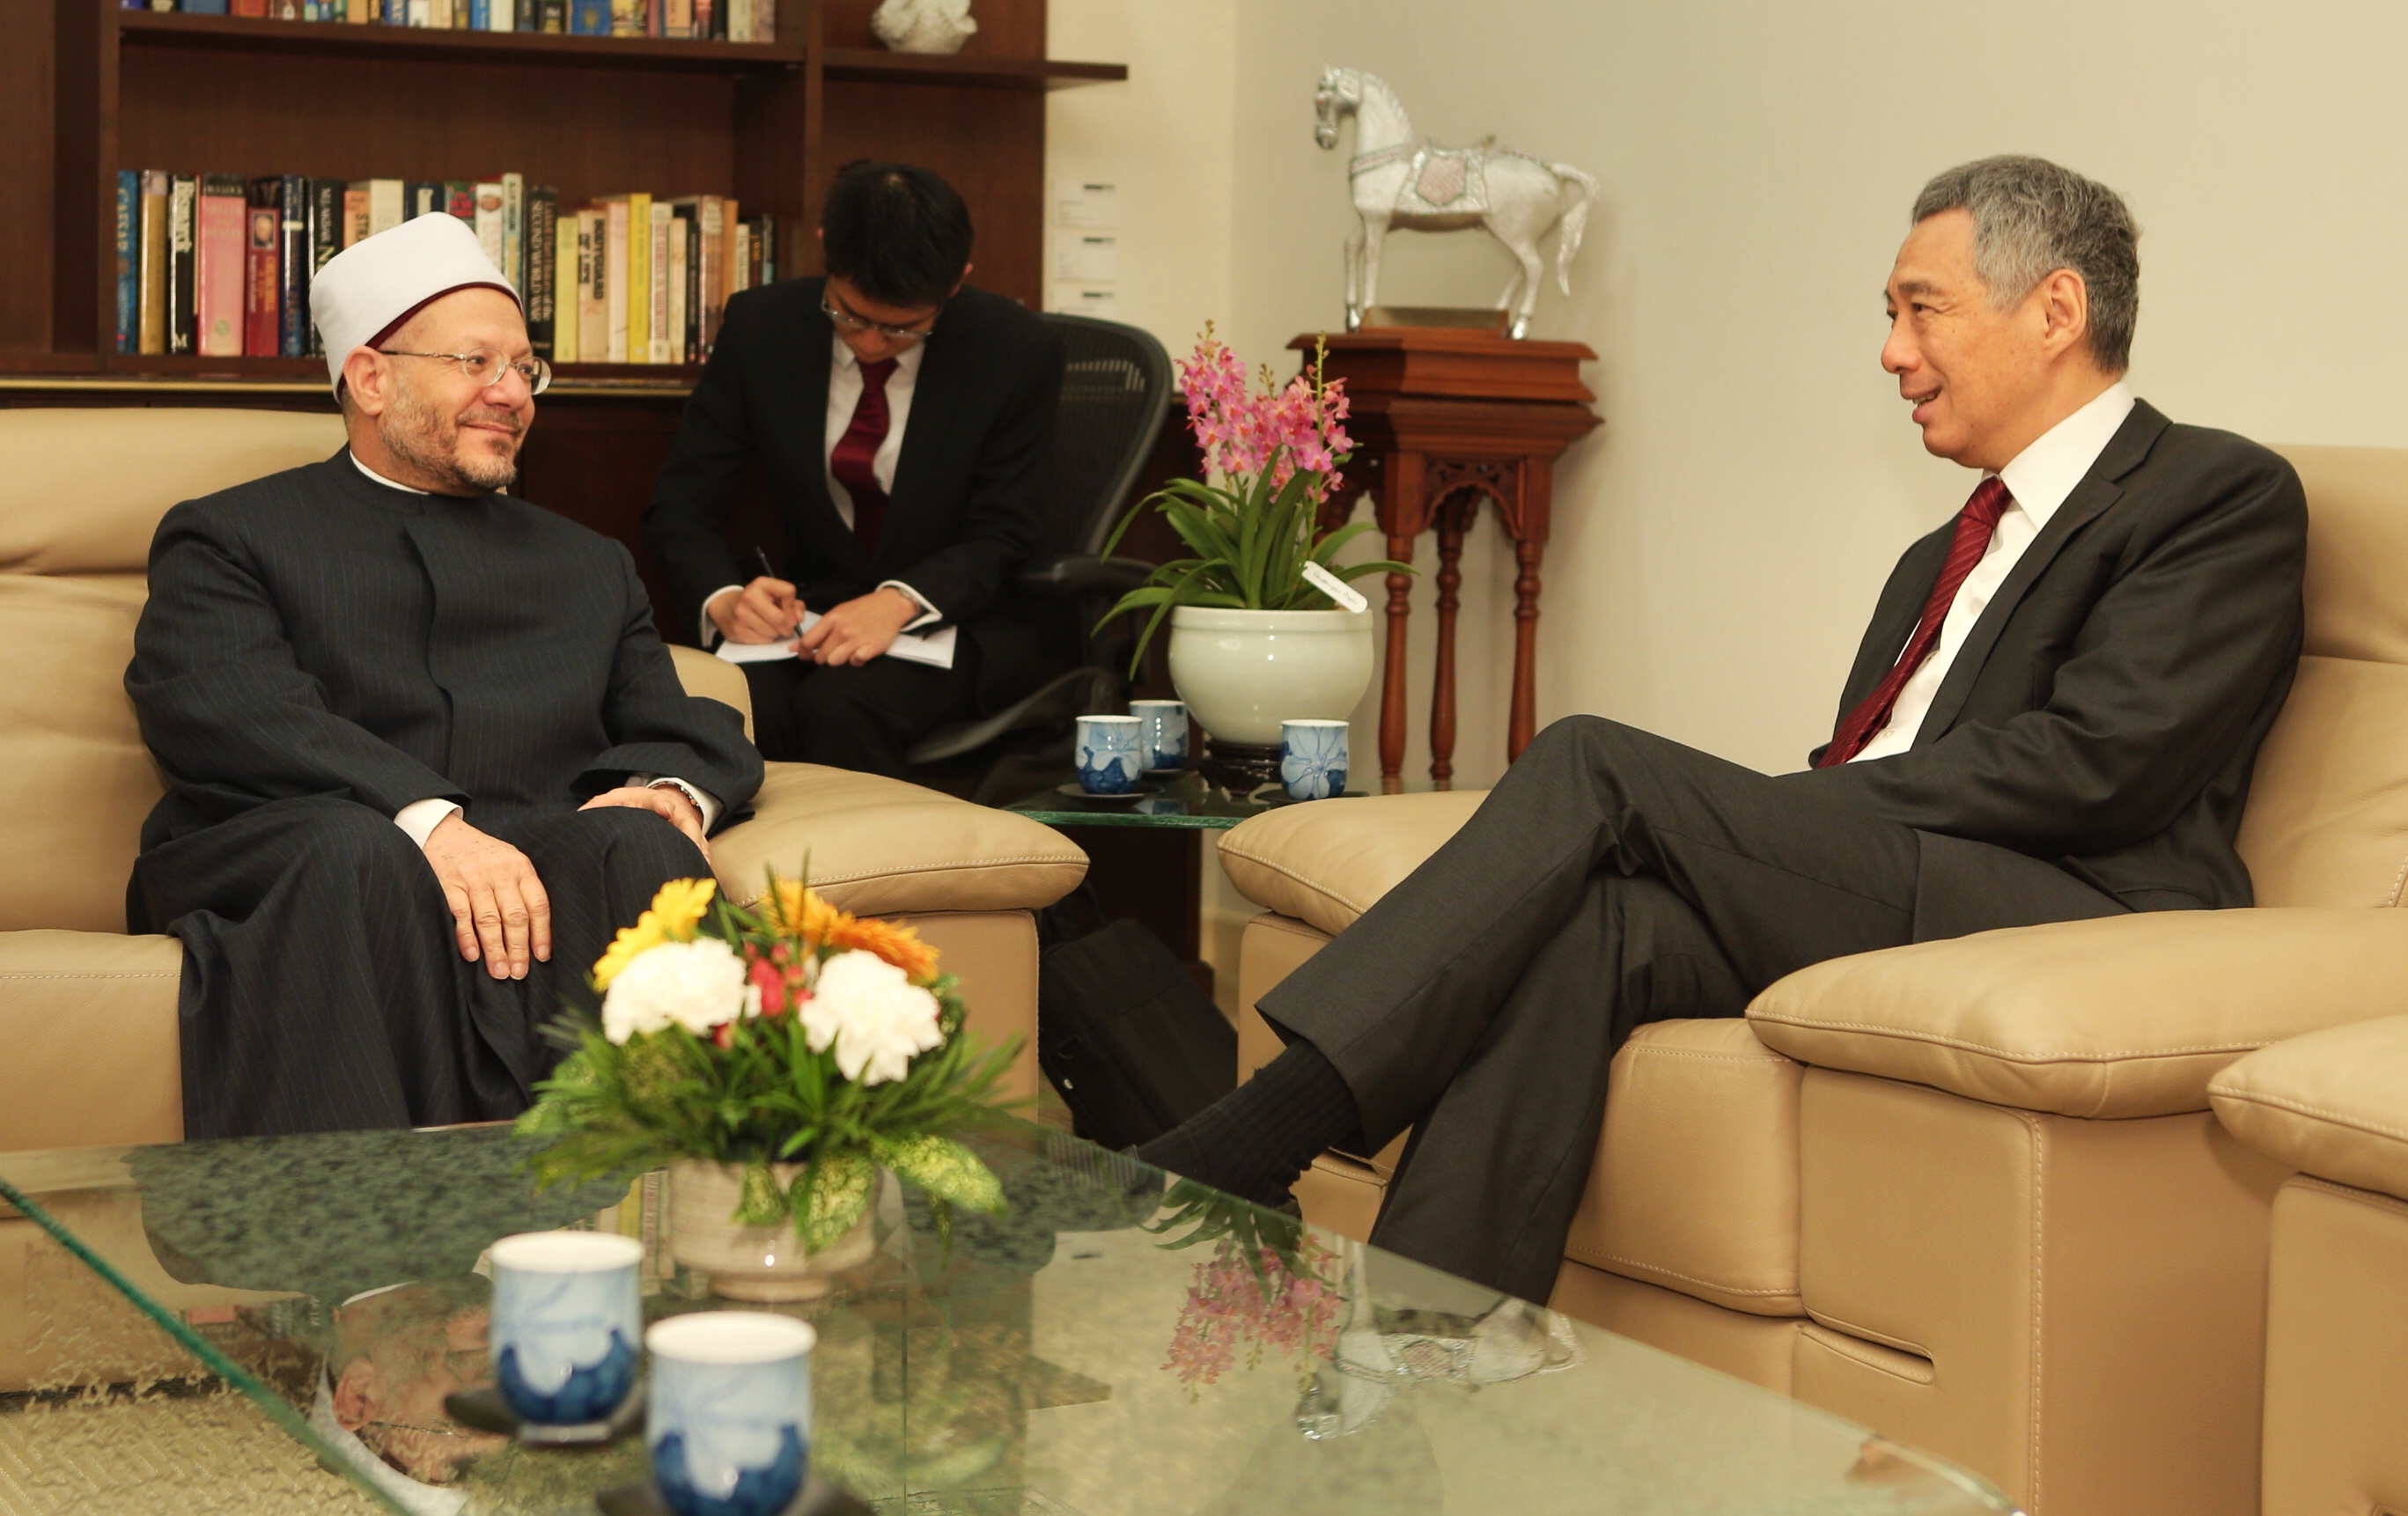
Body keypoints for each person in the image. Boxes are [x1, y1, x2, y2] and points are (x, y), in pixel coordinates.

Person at [1138, 156, 2309, 1305]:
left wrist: (1761, 817)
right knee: (1600, 921)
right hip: (1908, 882)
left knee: (1595, 762)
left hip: (2068, 912)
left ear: (2054, 308)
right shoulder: (1937, 553)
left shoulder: (2210, 493)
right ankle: (1418, 1349)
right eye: (1888, 315)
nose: (1891, 351)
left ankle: (1256, 1134)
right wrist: (1759, 824)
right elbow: (1873, 775)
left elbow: (2101, 763)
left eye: (1920, 310)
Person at [126, 213, 762, 1141]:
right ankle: (356, 1267)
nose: (512, 394)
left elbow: (672, 717)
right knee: (364, 853)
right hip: (300, 850)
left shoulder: (588, 563)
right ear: (371, 378)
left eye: (524, 369)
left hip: (527, 857)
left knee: (641, 849)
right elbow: (229, 708)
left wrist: (668, 794)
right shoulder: (232, 535)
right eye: (477, 364)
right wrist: (427, 821)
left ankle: (675, 1229)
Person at [643, 159, 1066, 777]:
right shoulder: (761, 326)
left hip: (961, 623)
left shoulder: (1016, 349)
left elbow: (1006, 531)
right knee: (736, 702)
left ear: (956, 283)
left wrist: (898, 601)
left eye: (902, 329)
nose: (868, 344)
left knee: (842, 707)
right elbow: (682, 503)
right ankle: (756, 878)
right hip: (814, 618)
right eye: (848, 315)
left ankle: (872, 877)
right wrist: (726, 599)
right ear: (825, 253)